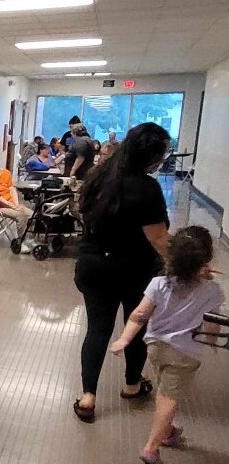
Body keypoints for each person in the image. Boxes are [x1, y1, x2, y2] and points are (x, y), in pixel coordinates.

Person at [73, 122, 173, 423]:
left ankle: (88, 397)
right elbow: (158, 238)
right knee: (137, 325)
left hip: (93, 265)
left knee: (97, 330)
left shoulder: (98, 177)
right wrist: (187, 264)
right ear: (151, 156)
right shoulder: (147, 187)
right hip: (134, 269)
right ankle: (132, 385)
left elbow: (83, 215)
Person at [110, 226, 224, 464]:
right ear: (206, 260)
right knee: (169, 396)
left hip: (155, 348)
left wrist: (124, 339)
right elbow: (212, 325)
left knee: (164, 390)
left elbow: (139, 315)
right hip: (185, 354)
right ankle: (151, 448)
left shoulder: (158, 284)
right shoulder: (213, 291)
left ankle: (169, 430)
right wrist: (213, 343)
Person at [0, 152, 35, 254]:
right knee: (21, 216)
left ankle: (29, 238)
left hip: (12, 204)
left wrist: (16, 204)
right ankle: (21, 242)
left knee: (33, 215)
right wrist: (12, 206)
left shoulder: (6, 173)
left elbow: (11, 189)